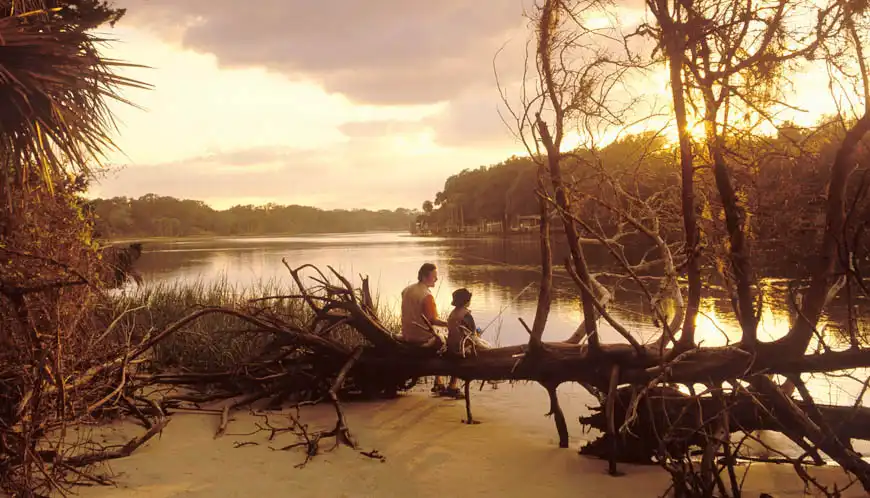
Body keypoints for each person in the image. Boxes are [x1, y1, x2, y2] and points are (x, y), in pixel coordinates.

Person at [400, 263, 450, 393]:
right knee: (449, 340)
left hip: (407, 334)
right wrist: (449, 324)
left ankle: (439, 381)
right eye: (434, 276)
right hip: (421, 337)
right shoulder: (427, 296)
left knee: (440, 334)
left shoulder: (407, 290)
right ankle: (446, 382)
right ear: (424, 277)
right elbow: (432, 320)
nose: (436, 279)